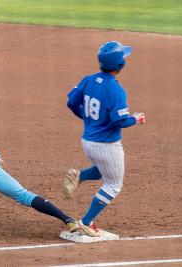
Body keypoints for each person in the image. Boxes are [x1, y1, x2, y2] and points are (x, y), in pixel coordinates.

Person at [63, 41, 145, 237]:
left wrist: (86, 118)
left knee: (102, 171)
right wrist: (137, 118)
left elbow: (71, 102)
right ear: (120, 65)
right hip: (106, 144)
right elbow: (120, 120)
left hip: (88, 141)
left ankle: (79, 176)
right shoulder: (116, 90)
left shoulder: (89, 80)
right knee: (113, 185)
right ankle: (85, 222)